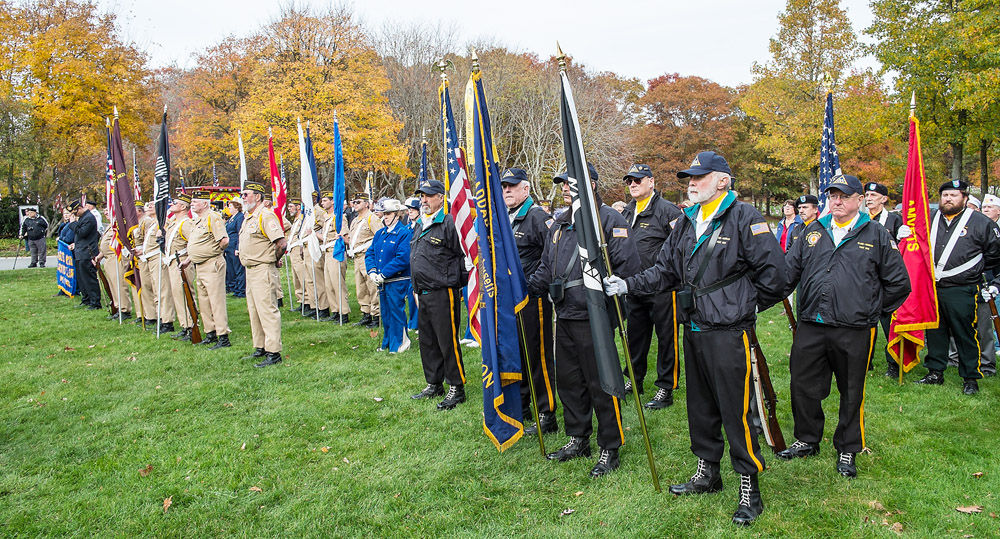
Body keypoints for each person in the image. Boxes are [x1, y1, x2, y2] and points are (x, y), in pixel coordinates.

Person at [604, 151, 787, 526]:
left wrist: (743, 306)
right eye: (689, 177)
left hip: (730, 332)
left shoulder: (745, 217)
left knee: (737, 411)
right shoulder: (688, 221)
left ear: (723, 180)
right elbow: (664, 271)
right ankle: (708, 472)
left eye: (700, 177)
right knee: (700, 406)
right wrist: (627, 284)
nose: (691, 182)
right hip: (695, 329)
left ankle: (749, 485)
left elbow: (777, 275)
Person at [778, 173, 910, 480]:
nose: (837, 201)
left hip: (853, 329)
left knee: (852, 389)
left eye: (844, 196)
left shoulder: (875, 234)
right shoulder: (813, 230)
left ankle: (848, 447)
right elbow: (788, 272)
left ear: (859, 201)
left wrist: (870, 309)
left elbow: (899, 283)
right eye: (832, 195)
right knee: (802, 384)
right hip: (811, 324)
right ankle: (807, 439)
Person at [531, 163, 639, 479]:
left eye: (570, 182)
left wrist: (611, 302)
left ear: (591, 183)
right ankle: (578, 437)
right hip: (564, 314)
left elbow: (628, 267)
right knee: (570, 382)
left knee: (602, 384)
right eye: (562, 183)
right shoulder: (560, 224)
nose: (565, 187)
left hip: (595, 315)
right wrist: (520, 288)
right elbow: (545, 270)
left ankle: (610, 445)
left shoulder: (609, 220)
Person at [907, 180, 1000, 395]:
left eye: (954, 195)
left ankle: (970, 377)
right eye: (945, 195)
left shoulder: (980, 222)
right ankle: (935, 371)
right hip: (932, 287)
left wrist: (984, 277)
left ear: (965, 198)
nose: (948, 199)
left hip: (963, 288)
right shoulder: (929, 218)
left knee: (965, 332)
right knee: (935, 332)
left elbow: (994, 255)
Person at [619, 163, 684, 409]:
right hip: (634, 286)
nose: (633, 185)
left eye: (637, 180)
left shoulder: (668, 211)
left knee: (667, 338)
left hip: (663, 288)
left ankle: (666, 388)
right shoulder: (626, 212)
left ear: (651, 182)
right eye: (629, 181)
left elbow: (680, 248)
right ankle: (633, 380)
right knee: (635, 337)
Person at [501, 167, 558, 434]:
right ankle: (524, 404)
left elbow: (553, 255)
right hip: (510, 300)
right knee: (519, 354)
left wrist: (534, 285)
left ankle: (547, 412)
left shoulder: (537, 217)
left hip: (533, 299)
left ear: (526, 189)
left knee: (538, 356)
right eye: (504, 187)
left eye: (512, 186)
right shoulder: (505, 218)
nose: (507, 191)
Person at [409, 179, 469, 410]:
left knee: (447, 341)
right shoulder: (420, 223)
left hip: (443, 292)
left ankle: (456, 386)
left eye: (427, 195)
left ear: (439, 197)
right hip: (422, 292)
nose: (423, 199)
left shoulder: (449, 222)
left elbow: (464, 254)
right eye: (421, 195)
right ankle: (434, 383)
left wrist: (456, 283)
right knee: (428, 341)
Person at [238, 182, 287, 367]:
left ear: (257, 196)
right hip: (250, 270)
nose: (242, 197)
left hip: (262, 269)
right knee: (254, 310)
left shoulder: (265, 215)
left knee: (267, 311)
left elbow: (281, 243)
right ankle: (260, 347)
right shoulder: (249, 217)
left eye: (246, 194)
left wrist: (273, 259)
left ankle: (274, 352)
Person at [183, 191, 231, 349]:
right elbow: (198, 244)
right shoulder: (198, 221)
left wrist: (215, 252)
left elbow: (224, 240)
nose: (192, 204)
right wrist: (188, 259)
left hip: (212, 264)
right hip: (200, 265)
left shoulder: (213, 217)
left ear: (205, 203)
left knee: (216, 301)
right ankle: (209, 332)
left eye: (196, 201)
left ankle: (223, 336)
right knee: (204, 301)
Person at [367, 198, 413, 353]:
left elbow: (403, 258)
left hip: (397, 279)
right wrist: (372, 270)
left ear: (397, 214)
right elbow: (371, 253)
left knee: (396, 311)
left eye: (388, 214)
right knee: (385, 312)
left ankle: (401, 342)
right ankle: (387, 342)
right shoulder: (380, 233)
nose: (384, 217)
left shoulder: (404, 233)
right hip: (382, 280)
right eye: (383, 214)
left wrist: (384, 273)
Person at [164, 193, 198, 341]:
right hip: (173, 262)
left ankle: (192, 325)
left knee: (185, 294)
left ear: (183, 207)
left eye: (175, 203)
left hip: (183, 261)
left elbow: (195, 243)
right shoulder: (174, 222)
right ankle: (184, 325)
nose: (172, 204)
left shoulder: (186, 223)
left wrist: (189, 260)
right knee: (177, 295)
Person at [138, 201, 175, 334]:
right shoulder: (153, 223)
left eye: (152, 205)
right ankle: (160, 316)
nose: (148, 207)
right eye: (147, 205)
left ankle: (167, 321)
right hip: (149, 259)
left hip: (158, 259)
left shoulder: (163, 222)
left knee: (162, 290)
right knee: (155, 290)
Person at [347, 195, 383, 328]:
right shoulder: (356, 220)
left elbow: (379, 237)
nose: (355, 204)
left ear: (367, 204)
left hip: (367, 256)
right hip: (357, 257)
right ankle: (366, 313)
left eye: (358, 202)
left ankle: (376, 316)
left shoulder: (371, 218)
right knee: (360, 288)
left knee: (372, 287)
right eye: (354, 202)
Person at [318, 191, 351, 324]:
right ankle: (335, 310)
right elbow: (326, 237)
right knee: (329, 284)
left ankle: (344, 312)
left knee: (338, 284)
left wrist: (342, 237)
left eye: (325, 200)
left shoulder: (339, 217)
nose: (322, 203)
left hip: (336, 252)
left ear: (332, 201)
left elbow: (345, 237)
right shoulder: (327, 217)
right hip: (327, 252)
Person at [94, 208, 132, 320]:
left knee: (119, 285)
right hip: (108, 259)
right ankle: (118, 307)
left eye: (108, 210)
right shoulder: (111, 225)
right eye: (105, 210)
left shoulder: (119, 225)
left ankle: (124, 310)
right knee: (113, 286)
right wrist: (100, 256)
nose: (106, 212)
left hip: (117, 258)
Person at [69, 199, 101, 310]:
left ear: (79, 208)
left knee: (89, 278)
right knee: (82, 279)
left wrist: (73, 223)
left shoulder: (89, 218)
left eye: (75, 212)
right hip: (80, 251)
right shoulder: (83, 217)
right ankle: (86, 298)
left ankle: (95, 302)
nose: (75, 215)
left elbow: (82, 232)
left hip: (87, 252)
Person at [133, 201, 160, 328]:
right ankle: (149, 315)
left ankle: (155, 315)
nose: (148, 207)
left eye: (151, 206)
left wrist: (143, 251)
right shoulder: (143, 222)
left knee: (151, 286)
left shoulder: (147, 221)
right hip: (143, 255)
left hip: (148, 256)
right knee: (145, 286)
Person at [404, 197, 421, 331]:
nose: (410, 212)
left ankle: (418, 322)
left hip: (419, 263)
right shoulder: (407, 227)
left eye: (413, 209)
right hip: (409, 264)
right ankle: (413, 322)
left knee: (417, 293)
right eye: (409, 210)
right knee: (411, 295)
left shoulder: (422, 225)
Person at [225, 199, 246, 298]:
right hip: (228, 248)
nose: (229, 208)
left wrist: (238, 247)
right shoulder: (231, 218)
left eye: (231, 206)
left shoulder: (240, 217)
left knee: (239, 269)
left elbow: (239, 233)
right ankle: (235, 288)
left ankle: (241, 290)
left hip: (235, 247)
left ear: (237, 207)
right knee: (231, 269)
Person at [54, 209, 77, 297]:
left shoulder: (71, 225)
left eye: (68, 213)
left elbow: (68, 238)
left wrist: (60, 239)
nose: (66, 215)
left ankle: (72, 289)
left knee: (71, 271)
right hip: (63, 253)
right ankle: (63, 289)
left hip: (70, 252)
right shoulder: (64, 225)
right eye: (64, 214)